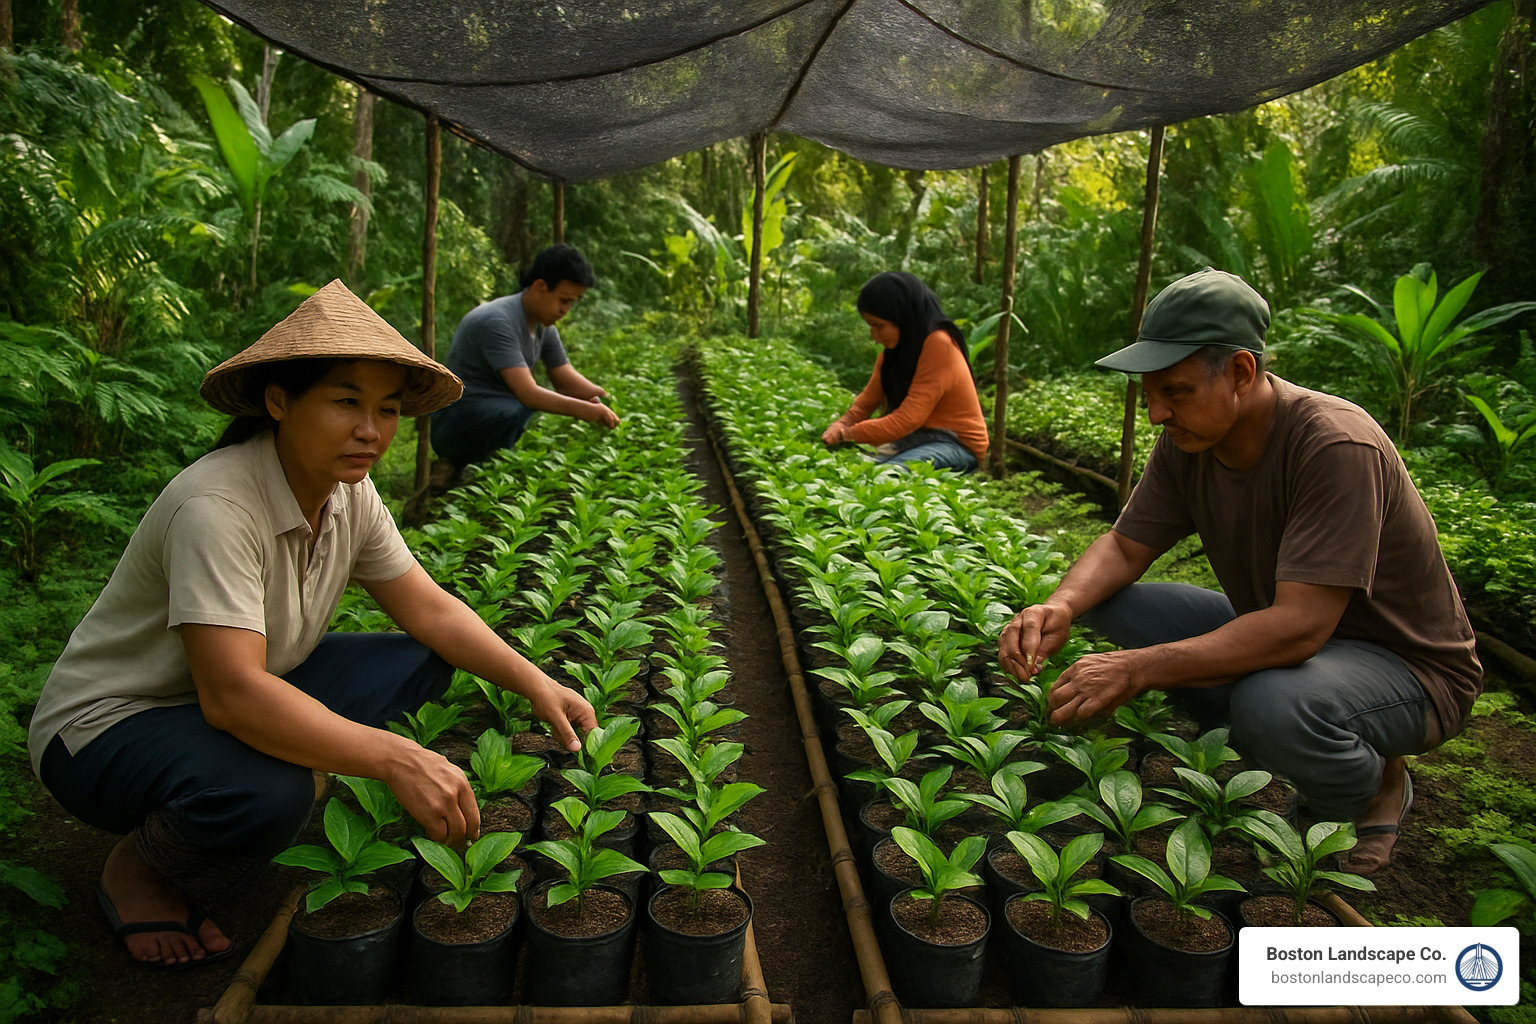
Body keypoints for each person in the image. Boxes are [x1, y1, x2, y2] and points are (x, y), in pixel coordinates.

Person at [27, 281, 597, 967]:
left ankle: (270, 759)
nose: (371, 430)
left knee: (422, 659)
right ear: (279, 401)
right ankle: (138, 868)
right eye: (346, 401)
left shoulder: (349, 490)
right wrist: (397, 757)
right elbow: (232, 696)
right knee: (272, 792)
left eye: (387, 410)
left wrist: (538, 683)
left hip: (244, 686)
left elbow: (429, 608)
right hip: (109, 728)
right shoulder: (217, 505)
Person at [998, 268, 1482, 874]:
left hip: (1407, 668)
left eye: (1174, 392)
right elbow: (1124, 547)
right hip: (1287, 632)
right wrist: (1059, 606)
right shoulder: (1189, 440)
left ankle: (1364, 795)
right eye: (1148, 393)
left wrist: (1138, 668)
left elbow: (1301, 629)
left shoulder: (1335, 446)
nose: (1155, 414)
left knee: (1271, 704)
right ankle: (1278, 732)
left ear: (1241, 372)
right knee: (1112, 605)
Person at [430, 244, 618, 470]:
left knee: (528, 410)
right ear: (540, 286)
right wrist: (587, 410)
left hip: (498, 416)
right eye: (564, 300)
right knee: (527, 408)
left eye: (572, 302)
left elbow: (564, 377)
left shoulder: (543, 326)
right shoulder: (496, 321)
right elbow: (529, 394)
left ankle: (496, 466)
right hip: (459, 427)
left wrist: (603, 397)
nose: (566, 309)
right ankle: (467, 468)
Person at [820, 271, 988, 472]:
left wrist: (848, 434)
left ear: (901, 317)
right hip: (916, 438)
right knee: (854, 468)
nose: (873, 336)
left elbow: (908, 419)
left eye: (878, 326)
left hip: (956, 445)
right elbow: (866, 404)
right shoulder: (894, 352)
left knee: (889, 474)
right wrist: (841, 424)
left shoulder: (940, 345)